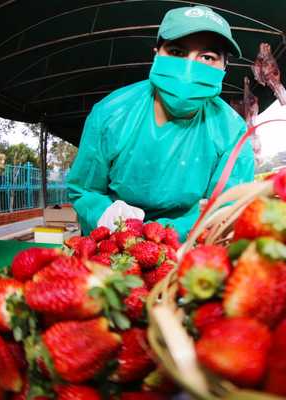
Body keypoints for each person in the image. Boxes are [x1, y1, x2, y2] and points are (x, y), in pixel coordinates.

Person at [67, 5, 255, 240]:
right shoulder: (111, 113)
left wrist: (169, 233)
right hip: (111, 240)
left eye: (207, 57)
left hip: (184, 244)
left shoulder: (232, 131)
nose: (189, 68)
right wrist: (105, 214)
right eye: (177, 53)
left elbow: (228, 208)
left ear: (224, 67)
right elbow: (84, 189)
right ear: (156, 54)